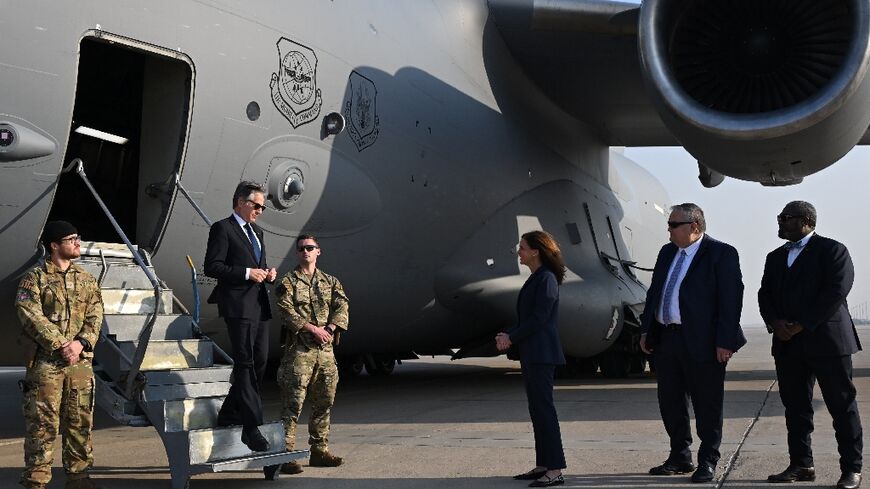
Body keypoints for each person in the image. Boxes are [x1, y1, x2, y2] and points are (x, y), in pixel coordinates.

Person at [758, 201, 863, 489]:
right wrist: (776, 323)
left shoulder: (833, 250)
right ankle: (801, 464)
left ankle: (851, 469)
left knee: (842, 407)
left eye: (786, 217)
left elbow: (836, 291)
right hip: (788, 345)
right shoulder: (775, 257)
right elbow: (765, 294)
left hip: (828, 343)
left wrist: (802, 324)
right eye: (779, 217)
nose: (780, 221)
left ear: (806, 220)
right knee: (796, 409)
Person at [639, 203, 745, 483]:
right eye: (669, 225)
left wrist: (725, 342)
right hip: (667, 339)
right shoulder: (667, 252)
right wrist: (646, 330)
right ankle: (679, 457)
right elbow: (655, 293)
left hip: (704, 343)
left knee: (707, 405)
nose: (669, 230)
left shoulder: (721, 253)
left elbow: (731, 300)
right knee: (670, 402)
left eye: (674, 225)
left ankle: (707, 461)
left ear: (694, 226)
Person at [16, 221, 104, 489]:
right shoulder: (35, 278)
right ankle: (36, 481)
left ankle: (79, 479)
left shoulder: (86, 279)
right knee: (42, 426)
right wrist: (61, 344)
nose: (78, 243)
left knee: (80, 423)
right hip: (46, 364)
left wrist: (81, 343)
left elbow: (96, 315)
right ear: (54, 245)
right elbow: (29, 313)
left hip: (80, 364)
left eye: (78, 237)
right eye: (71, 239)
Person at [203, 181, 277, 452]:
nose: (260, 211)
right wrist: (246, 273)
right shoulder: (223, 228)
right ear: (241, 202)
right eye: (257, 206)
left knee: (260, 361)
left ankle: (228, 413)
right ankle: (251, 427)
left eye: (262, 207)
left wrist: (267, 274)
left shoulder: (257, 232)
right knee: (245, 363)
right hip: (237, 306)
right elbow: (212, 266)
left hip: (258, 305)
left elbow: (258, 266)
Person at [496, 230, 567, 488]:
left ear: (536, 251)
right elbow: (530, 318)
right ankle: (544, 464)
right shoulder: (538, 277)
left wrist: (511, 337)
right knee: (537, 410)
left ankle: (555, 469)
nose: (519, 252)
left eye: (523, 247)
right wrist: (508, 334)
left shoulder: (546, 278)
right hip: (533, 353)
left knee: (544, 410)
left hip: (541, 353)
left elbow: (539, 318)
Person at [275, 235, 349, 474]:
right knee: (292, 404)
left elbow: (342, 306)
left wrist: (330, 329)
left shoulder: (330, 281)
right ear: (297, 253)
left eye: (310, 247)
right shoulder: (288, 281)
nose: (305, 251)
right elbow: (285, 310)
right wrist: (313, 329)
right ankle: (286, 455)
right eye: (301, 249)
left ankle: (319, 451)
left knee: (324, 401)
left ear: (318, 251)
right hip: (299, 353)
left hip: (325, 352)